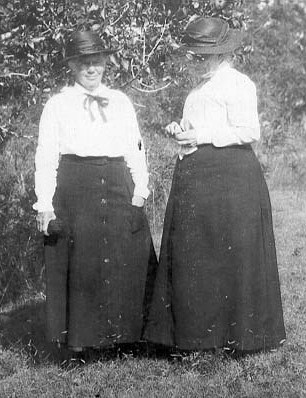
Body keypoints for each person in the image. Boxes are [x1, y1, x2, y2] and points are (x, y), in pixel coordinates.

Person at [144, 17, 286, 355]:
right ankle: (198, 338)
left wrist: (203, 135)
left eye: (203, 55)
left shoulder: (239, 84)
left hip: (232, 177)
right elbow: (196, 129)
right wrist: (179, 129)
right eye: (193, 55)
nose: (197, 62)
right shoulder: (196, 91)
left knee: (232, 255)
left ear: (223, 53)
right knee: (197, 255)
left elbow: (249, 131)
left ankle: (240, 338)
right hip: (195, 177)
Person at [34, 30, 157, 353]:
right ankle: (83, 341)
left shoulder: (120, 101)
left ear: (106, 63)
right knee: (84, 260)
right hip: (77, 185)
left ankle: (127, 337)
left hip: (118, 181)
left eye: (97, 62)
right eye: (84, 63)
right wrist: (44, 204)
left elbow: (136, 147)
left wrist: (139, 190)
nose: (91, 69)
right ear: (72, 65)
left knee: (124, 255)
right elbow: (46, 156)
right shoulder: (57, 104)